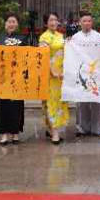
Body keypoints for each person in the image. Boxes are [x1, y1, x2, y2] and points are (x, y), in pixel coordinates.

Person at [0, 13, 29, 145]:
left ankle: (15, 133)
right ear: (5, 24)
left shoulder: (23, 38)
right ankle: (4, 134)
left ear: (17, 24)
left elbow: (28, 55)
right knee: (2, 105)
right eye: (9, 21)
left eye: (14, 21)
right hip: (2, 78)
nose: (11, 24)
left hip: (17, 77)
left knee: (16, 106)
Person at [70, 11, 100, 137]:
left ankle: (97, 128)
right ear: (80, 23)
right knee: (81, 101)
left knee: (96, 101)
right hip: (81, 73)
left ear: (92, 22)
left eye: (89, 21)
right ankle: (82, 128)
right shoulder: (75, 38)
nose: (87, 23)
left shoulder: (99, 37)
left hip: (95, 72)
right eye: (84, 21)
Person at [38, 12, 68, 145]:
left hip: (61, 74)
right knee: (51, 102)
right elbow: (43, 58)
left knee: (59, 102)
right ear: (46, 23)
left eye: (55, 20)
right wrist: (52, 72)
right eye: (51, 20)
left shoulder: (60, 36)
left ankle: (51, 128)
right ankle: (55, 132)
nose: (54, 22)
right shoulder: (44, 38)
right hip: (50, 75)